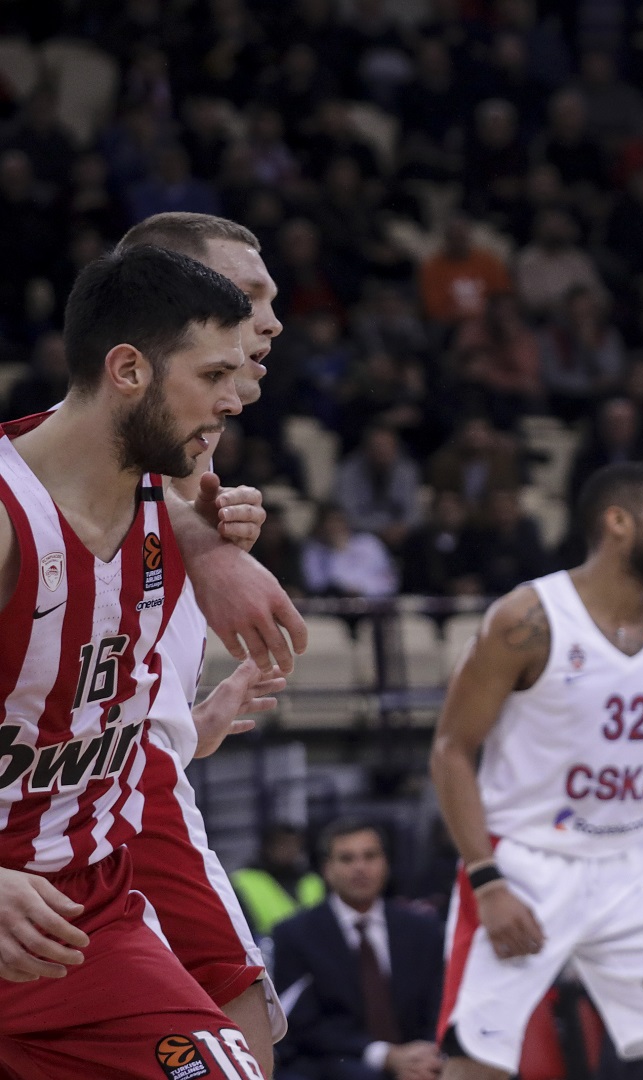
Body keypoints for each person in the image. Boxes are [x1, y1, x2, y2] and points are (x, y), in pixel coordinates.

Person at [0, 244, 265, 1076]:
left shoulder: (177, 508)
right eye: (213, 374)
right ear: (127, 370)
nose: (234, 399)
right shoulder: (10, 519)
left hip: (86, 923)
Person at [430, 463, 643, 1080]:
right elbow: (451, 750)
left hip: (633, 868)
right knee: (477, 1066)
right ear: (618, 522)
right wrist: (487, 881)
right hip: (526, 864)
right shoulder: (526, 618)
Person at [108, 210, 299, 1072]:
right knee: (235, 1019)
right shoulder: (98, 456)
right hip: (107, 784)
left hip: (126, 764)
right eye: (249, 296)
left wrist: (181, 720)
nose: (272, 322)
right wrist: (207, 549)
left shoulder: (191, 466)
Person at [273, 821, 445, 1080]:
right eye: (347, 858)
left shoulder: (423, 929)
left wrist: (426, 1056)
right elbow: (302, 1025)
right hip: (337, 1066)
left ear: (386, 863)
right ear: (327, 869)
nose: (360, 867)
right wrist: (384, 1056)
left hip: (421, 1062)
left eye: (370, 856)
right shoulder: (295, 935)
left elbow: (439, 1004)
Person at [233, 823, 328, 935]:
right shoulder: (243, 880)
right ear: (268, 847)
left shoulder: (312, 881)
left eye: (294, 844)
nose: (289, 850)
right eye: (283, 844)